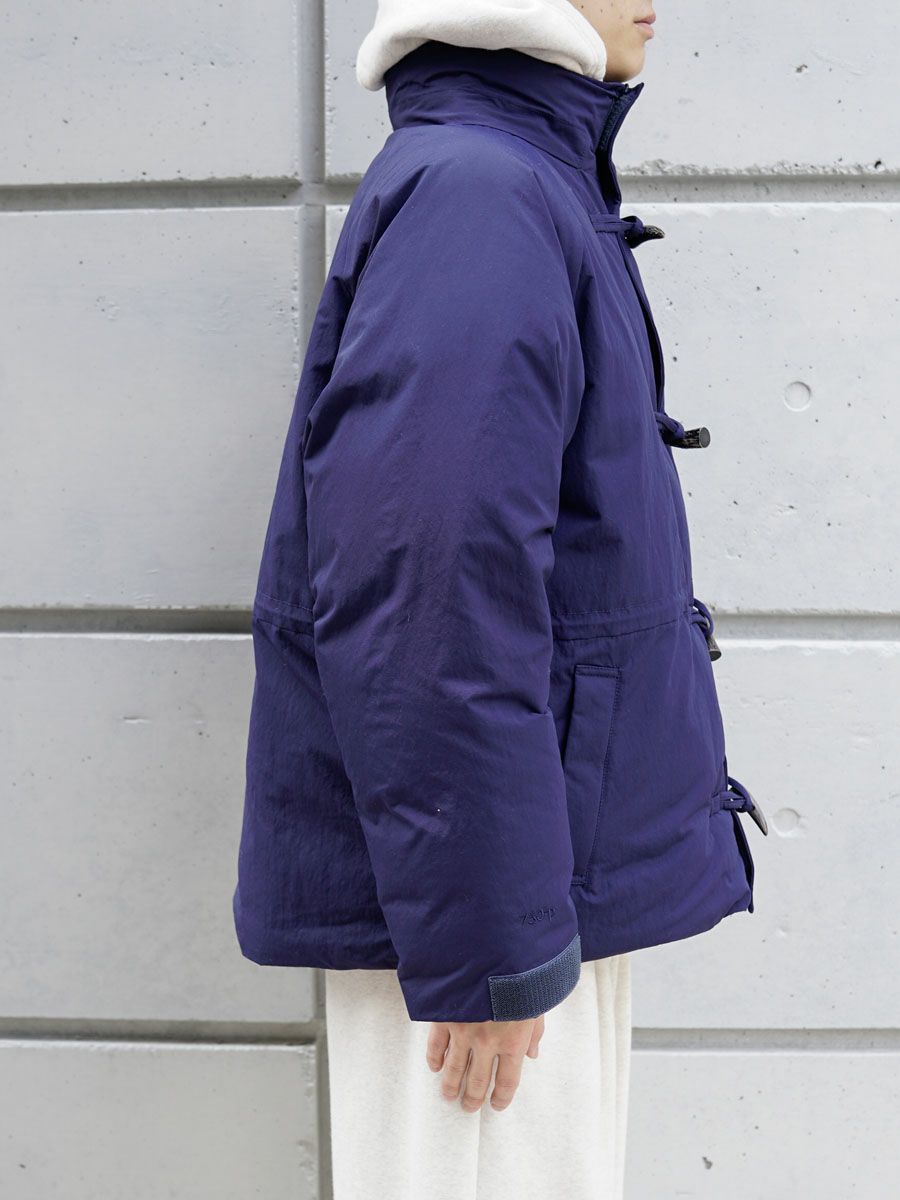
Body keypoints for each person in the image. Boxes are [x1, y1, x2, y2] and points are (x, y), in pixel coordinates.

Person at [232, 3, 767, 1197]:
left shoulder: (518, 179)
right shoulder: (482, 195)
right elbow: (426, 592)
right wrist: (488, 946)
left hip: (525, 878)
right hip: (486, 919)